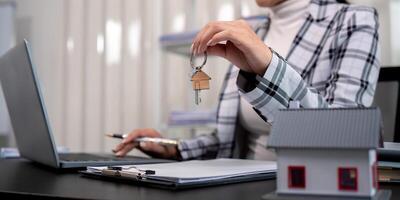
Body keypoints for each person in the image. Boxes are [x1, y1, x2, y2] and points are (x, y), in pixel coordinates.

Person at [113, 0, 380, 160]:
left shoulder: (355, 20)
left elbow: (347, 136)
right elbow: (228, 141)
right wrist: (172, 148)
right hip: (244, 184)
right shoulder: (258, 30)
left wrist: (268, 65)